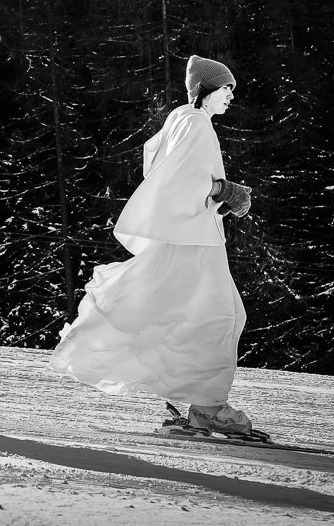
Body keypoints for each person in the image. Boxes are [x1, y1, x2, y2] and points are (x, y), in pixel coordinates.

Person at [50, 55, 254, 435]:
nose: (230, 96)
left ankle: (202, 401)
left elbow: (161, 169)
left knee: (195, 316)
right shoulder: (195, 124)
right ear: (206, 90)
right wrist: (225, 190)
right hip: (194, 244)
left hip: (190, 238)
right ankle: (207, 407)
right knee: (220, 318)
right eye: (226, 89)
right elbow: (179, 182)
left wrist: (218, 197)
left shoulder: (184, 119)